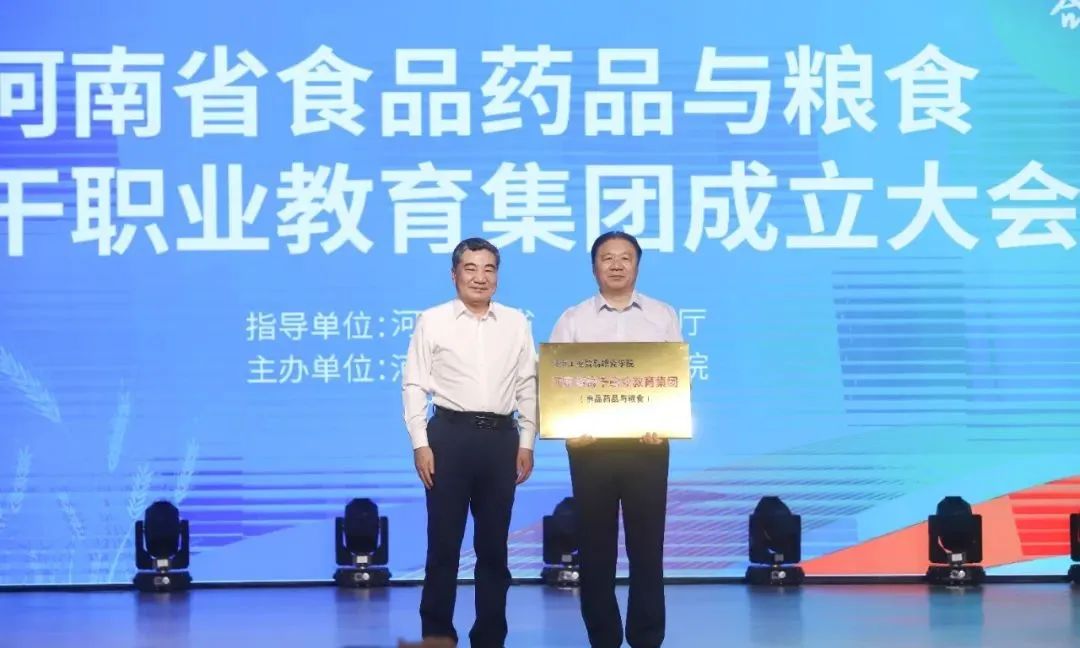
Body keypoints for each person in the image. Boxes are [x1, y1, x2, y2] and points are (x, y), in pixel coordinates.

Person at [402, 237, 538, 647]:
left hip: (501, 439)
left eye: (489, 269)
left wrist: (527, 440)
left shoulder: (516, 322)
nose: (480, 277)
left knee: (494, 548)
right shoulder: (432, 320)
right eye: (471, 268)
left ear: (497, 275)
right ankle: (437, 633)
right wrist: (420, 443)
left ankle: (490, 636)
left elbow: (527, 384)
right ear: (454, 274)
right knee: (444, 546)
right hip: (449, 437)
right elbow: (414, 384)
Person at [549, 231, 682, 648]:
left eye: (626, 257)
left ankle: (646, 638)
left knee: (647, 549)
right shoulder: (573, 319)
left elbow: (674, 379)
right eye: (608, 257)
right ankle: (603, 638)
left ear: (637, 265)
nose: (617, 264)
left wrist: (665, 420)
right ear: (594, 267)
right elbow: (555, 381)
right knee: (595, 551)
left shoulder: (661, 315)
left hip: (647, 447)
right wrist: (570, 428)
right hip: (591, 450)